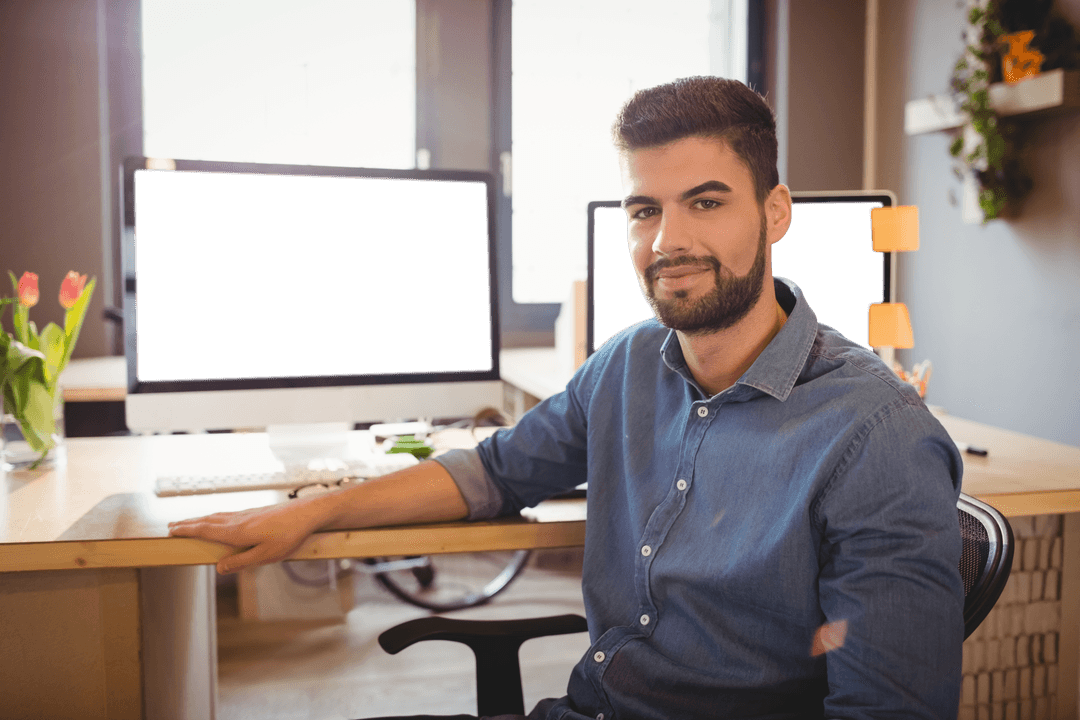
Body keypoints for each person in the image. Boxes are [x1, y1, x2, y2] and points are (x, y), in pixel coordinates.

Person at [169, 76, 965, 720]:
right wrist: (311, 512)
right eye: (644, 210)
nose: (666, 242)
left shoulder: (874, 434)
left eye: (707, 202)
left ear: (776, 211)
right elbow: (490, 473)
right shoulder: (625, 365)